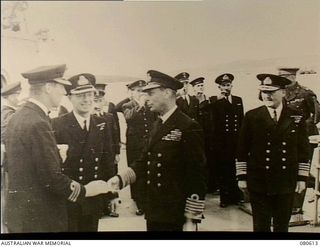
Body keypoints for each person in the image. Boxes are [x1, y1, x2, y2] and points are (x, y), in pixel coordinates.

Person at [4, 65, 111, 233]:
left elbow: (13, 164)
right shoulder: (39, 122)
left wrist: (56, 155)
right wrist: (86, 190)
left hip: (21, 214)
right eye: (61, 86)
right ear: (48, 87)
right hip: (40, 216)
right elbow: (50, 178)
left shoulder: (18, 117)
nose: (63, 92)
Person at [107, 70, 207, 231]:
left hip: (176, 211)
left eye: (151, 93)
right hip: (155, 208)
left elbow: (197, 174)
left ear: (167, 93)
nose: (146, 98)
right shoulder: (158, 124)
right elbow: (144, 160)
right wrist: (120, 179)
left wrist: (192, 217)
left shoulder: (188, 126)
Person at [236, 73, 310, 232]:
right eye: (264, 92)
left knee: (281, 226)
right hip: (259, 181)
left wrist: (302, 178)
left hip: (286, 181)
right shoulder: (252, 116)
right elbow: (242, 149)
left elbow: (303, 150)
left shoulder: (296, 116)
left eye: (271, 92)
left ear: (283, 92)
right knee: (261, 226)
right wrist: (241, 177)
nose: (267, 96)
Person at [51, 73, 118, 232]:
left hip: (93, 198)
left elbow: (107, 161)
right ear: (70, 98)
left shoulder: (102, 123)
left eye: (89, 94)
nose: (86, 99)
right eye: (80, 95)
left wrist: (111, 195)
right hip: (69, 198)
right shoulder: (57, 124)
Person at [278, 67, 320, 225]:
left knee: (301, 170)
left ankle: (296, 208)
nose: (283, 79)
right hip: (284, 137)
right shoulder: (279, 92)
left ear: (292, 76)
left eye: (285, 77)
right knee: (286, 168)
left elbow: (317, 114)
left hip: (303, 138)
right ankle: (286, 204)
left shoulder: (305, 93)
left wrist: (303, 125)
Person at [119, 80, 157, 215]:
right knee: (136, 172)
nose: (141, 93)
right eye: (138, 91)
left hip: (148, 143)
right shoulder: (127, 105)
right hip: (134, 145)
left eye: (142, 91)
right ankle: (138, 201)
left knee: (148, 171)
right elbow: (129, 117)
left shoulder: (150, 105)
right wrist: (140, 105)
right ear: (132, 92)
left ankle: (148, 200)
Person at [209, 73, 244, 207]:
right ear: (219, 87)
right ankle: (225, 198)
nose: (226, 88)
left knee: (235, 168)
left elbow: (241, 119)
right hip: (222, 142)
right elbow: (206, 112)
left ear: (232, 86)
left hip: (235, 140)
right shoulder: (215, 100)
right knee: (223, 170)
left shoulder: (238, 100)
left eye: (228, 85)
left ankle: (236, 196)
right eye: (223, 85)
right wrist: (218, 99)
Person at [93, 88, 121, 217]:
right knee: (97, 178)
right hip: (96, 154)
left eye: (100, 100)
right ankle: (99, 207)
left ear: (104, 101)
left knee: (110, 177)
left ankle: (111, 207)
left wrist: (117, 152)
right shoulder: (90, 117)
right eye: (95, 101)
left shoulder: (109, 117)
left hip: (109, 154)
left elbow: (115, 134)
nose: (98, 103)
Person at [1, 81, 21, 233]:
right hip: (10, 162)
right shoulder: (9, 113)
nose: (19, 98)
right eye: (17, 94)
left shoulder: (5, 111)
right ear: (11, 96)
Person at [190, 77, 216, 192]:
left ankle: (211, 185)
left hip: (208, 134)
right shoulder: (192, 100)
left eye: (201, 85)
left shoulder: (209, 99)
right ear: (194, 88)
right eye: (198, 86)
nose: (200, 88)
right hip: (197, 134)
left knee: (210, 158)